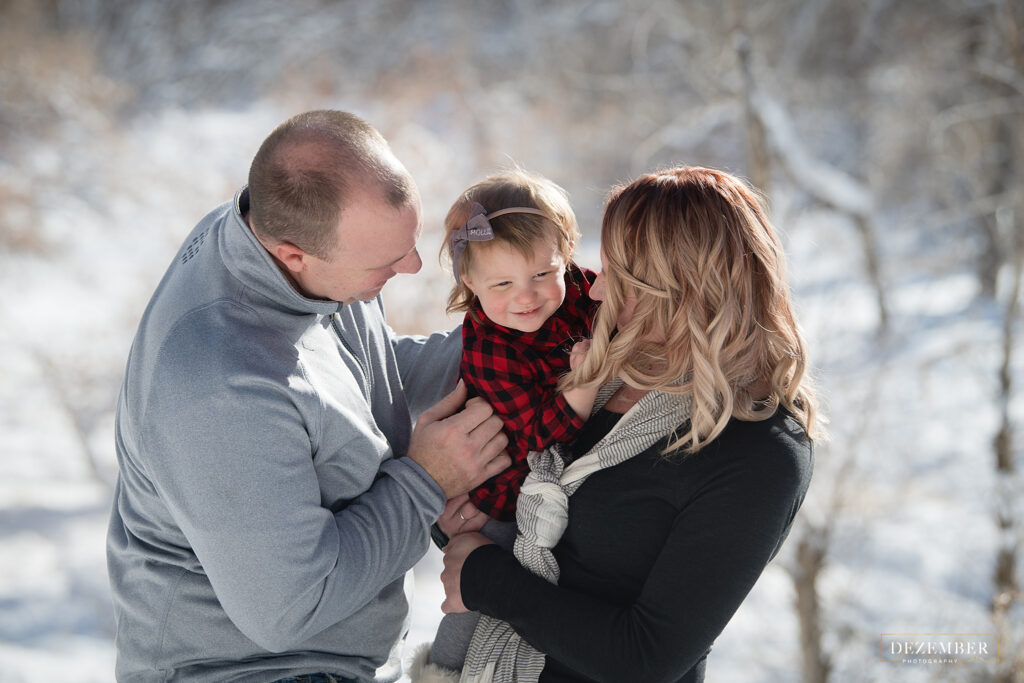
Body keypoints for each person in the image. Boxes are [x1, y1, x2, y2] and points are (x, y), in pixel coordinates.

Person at [105, 110, 510, 683]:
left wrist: (518, 336)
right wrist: (427, 480)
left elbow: (347, 380)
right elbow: (293, 608)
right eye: (387, 262)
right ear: (294, 253)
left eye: (410, 241)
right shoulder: (216, 386)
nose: (413, 266)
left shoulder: (278, 238)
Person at [424, 166, 819, 683]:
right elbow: (527, 500)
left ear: (680, 287)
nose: (593, 291)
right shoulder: (599, 365)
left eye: (618, 275)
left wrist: (484, 578)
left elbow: (646, 659)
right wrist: (451, 504)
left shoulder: (759, 450)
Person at [422, 170, 599, 674]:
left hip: (565, 481)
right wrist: (585, 383)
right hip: (507, 494)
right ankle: (446, 670)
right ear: (470, 283)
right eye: (502, 283)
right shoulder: (489, 347)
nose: (528, 296)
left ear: (565, 255)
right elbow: (540, 432)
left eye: (544, 274)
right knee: (475, 592)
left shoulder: (582, 292)